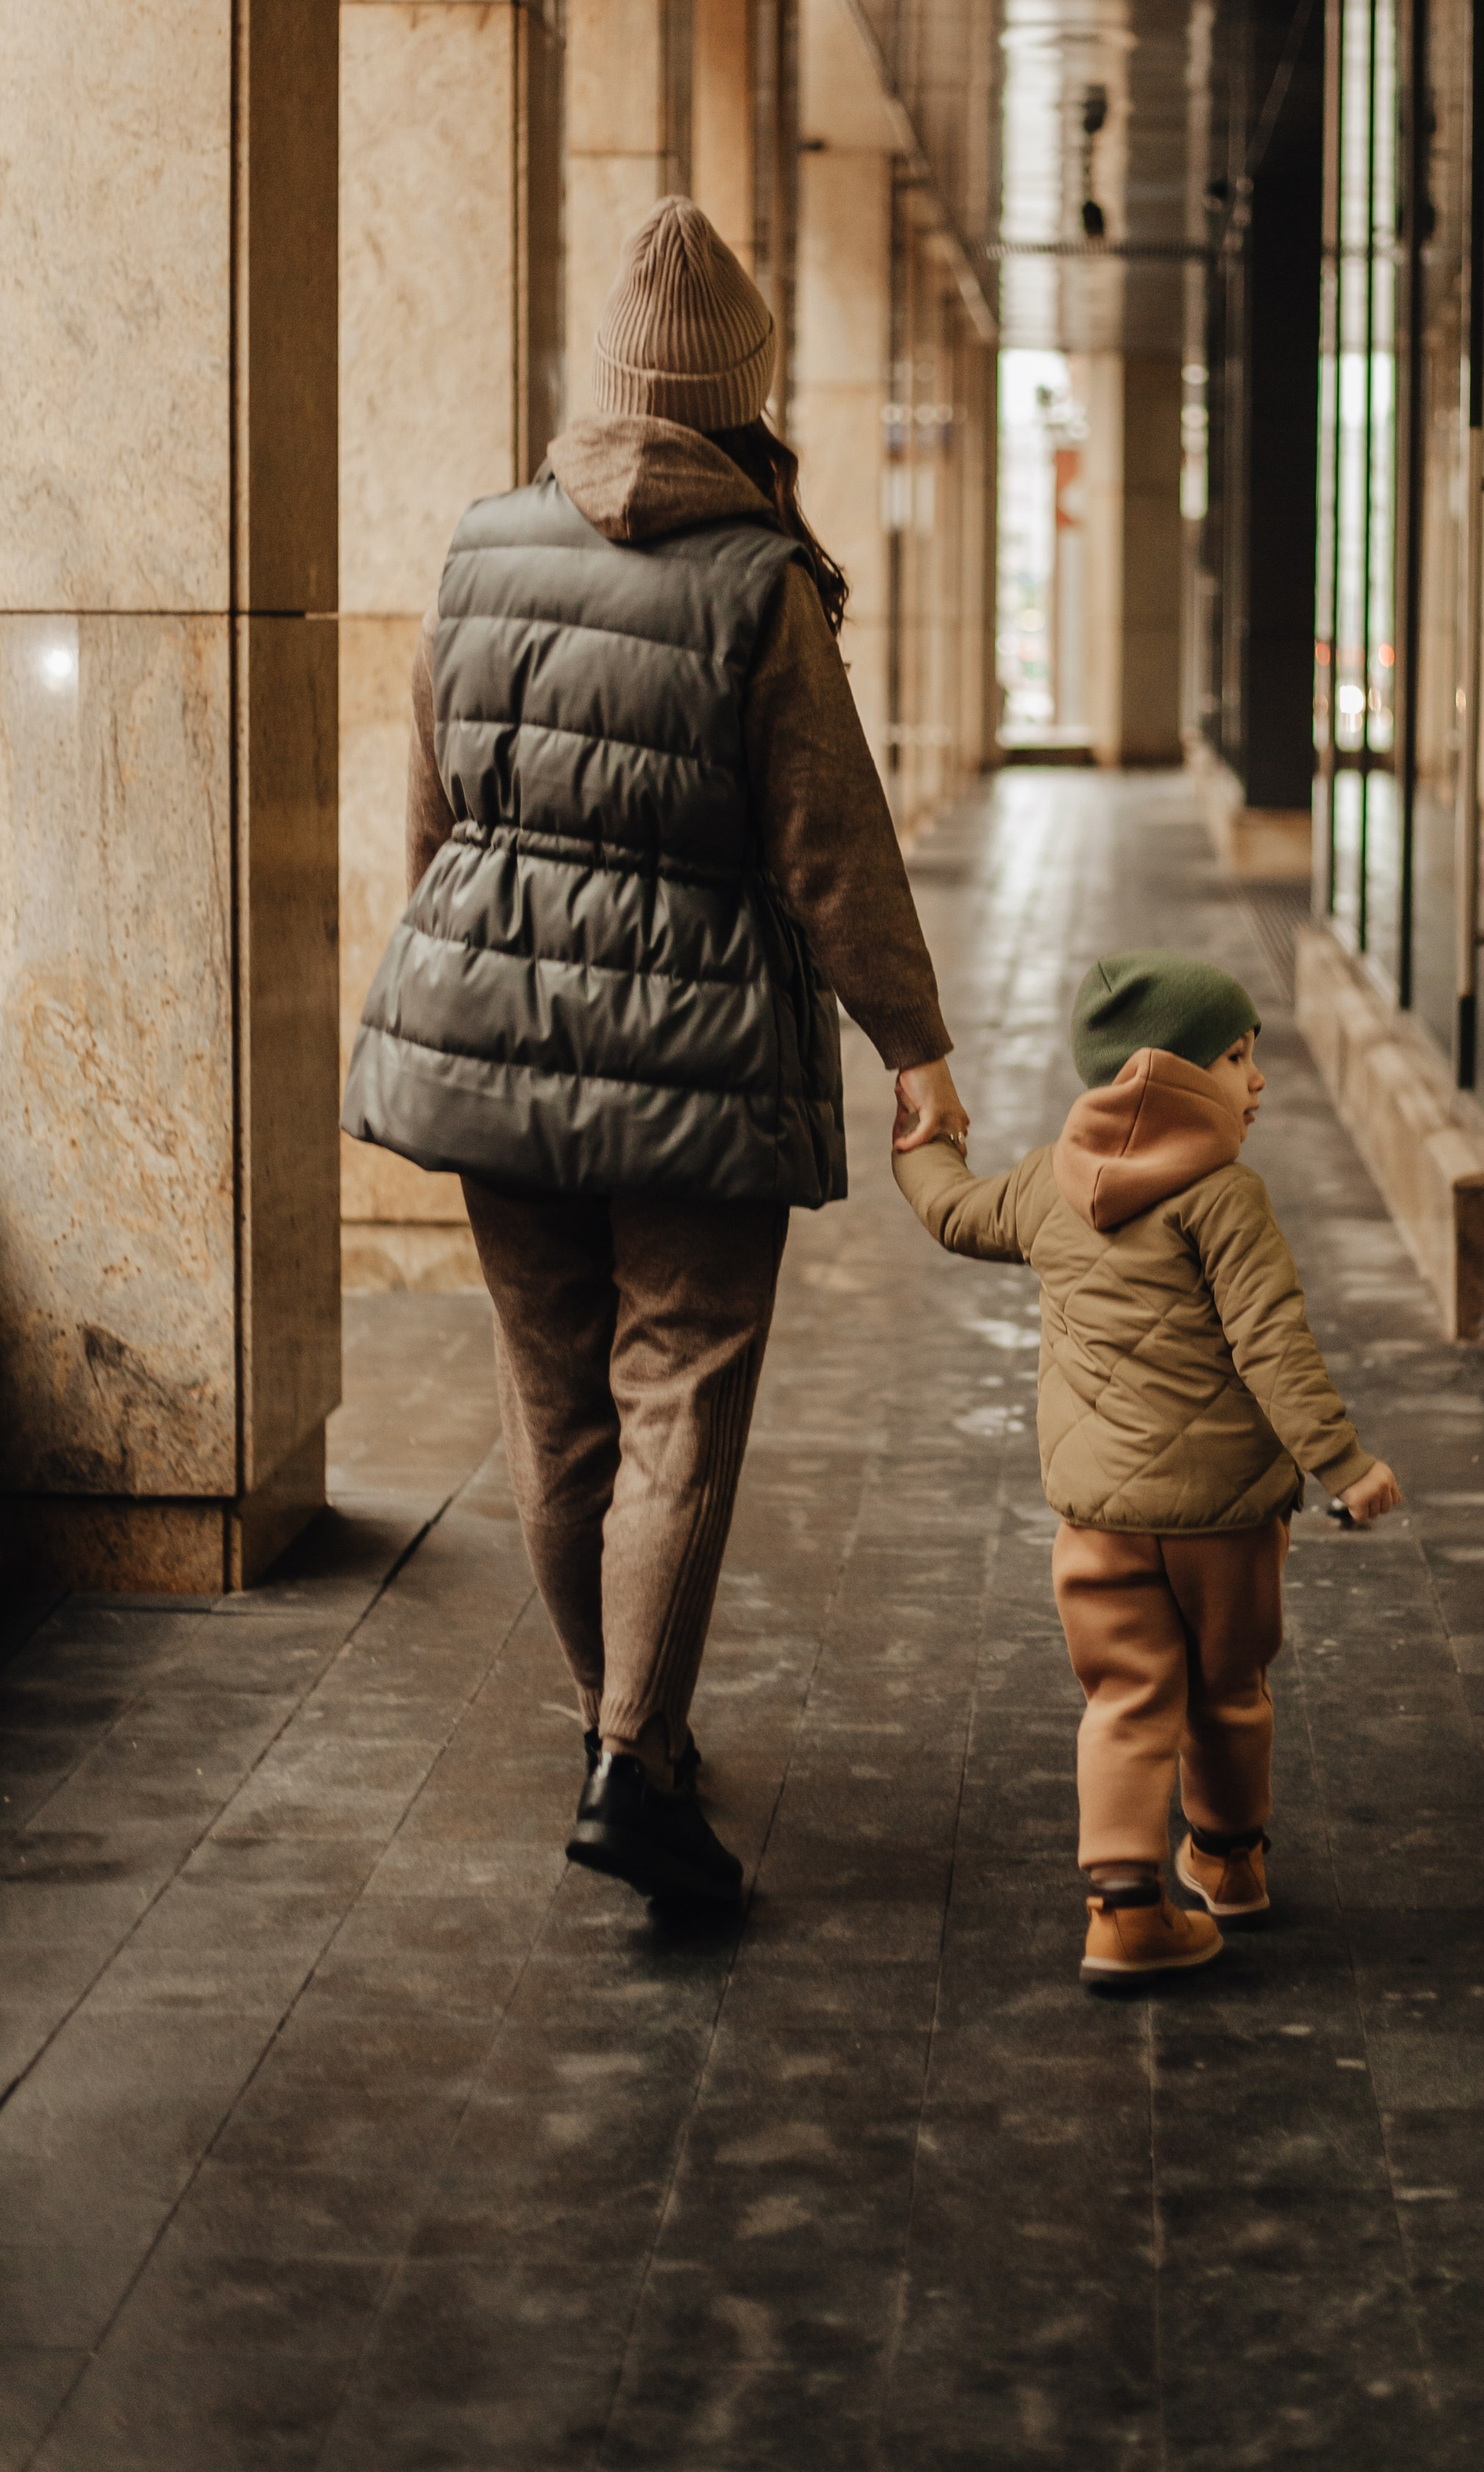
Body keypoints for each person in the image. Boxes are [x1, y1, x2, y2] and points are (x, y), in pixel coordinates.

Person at [342, 198, 968, 1913]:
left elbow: (431, 820)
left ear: (600, 383)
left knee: (554, 1424)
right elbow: (827, 845)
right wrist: (913, 1047)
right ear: (741, 396)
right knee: (674, 1395)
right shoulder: (760, 582)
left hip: (486, 1041)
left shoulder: (479, 543)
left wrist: (455, 1000)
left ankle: (618, 1733)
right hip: (692, 1070)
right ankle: (633, 1760)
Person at [892, 950, 1400, 1987]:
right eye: (1235, 1056)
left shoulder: (1043, 1184)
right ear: (1168, 1075)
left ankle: (1123, 1911)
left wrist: (925, 1137)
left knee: (1126, 1696)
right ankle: (1229, 1860)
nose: (1256, 1079)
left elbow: (952, 1212)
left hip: (1101, 1521)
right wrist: (1342, 1464)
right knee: (1229, 1690)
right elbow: (1273, 1347)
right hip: (1225, 1521)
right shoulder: (1225, 1199)